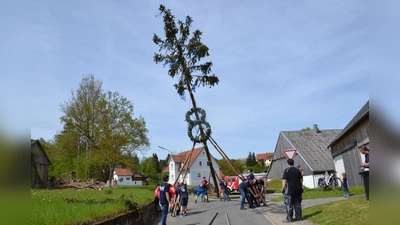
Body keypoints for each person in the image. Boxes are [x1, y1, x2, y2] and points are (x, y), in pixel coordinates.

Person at [282, 158, 303, 223]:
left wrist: (283, 188)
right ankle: (299, 217)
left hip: (290, 190)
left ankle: (289, 218)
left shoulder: (287, 170)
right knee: (297, 203)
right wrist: (302, 186)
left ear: (288, 163)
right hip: (298, 189)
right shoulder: (297, 170)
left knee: (289, 204)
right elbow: (300, 180)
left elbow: (285, 180)